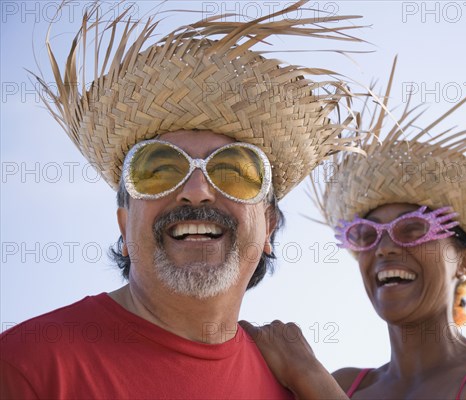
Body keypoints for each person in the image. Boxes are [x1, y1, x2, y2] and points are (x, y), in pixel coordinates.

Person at [0, 2, 367, 398]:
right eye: (158, 169)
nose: (196, 190)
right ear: (124, 227)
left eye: (233, 171)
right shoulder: (27, 368)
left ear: (269, 227)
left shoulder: (294, 388)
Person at [242, 60, 466, 399]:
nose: (383, 248)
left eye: (412, 229)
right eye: (366, 234)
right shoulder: (347, 384)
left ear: (465, 262)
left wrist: (308, 375)